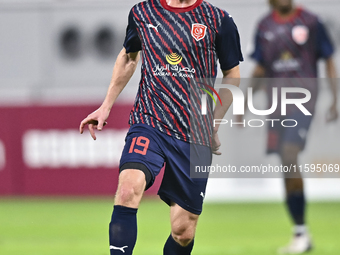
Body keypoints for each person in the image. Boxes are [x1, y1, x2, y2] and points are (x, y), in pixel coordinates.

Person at [79, 0, 243, 254]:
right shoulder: (142, 12)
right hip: (149, 120)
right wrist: (106, 105)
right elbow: (128, 57)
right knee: (127, 188)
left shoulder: (219, 20)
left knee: (183, 232)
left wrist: (214, 122)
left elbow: (232, 74)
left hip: (194, 131)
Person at [247, 0, 338, 254]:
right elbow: (261, 68)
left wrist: (335, 99)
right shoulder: (264, 26)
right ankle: (301, 233)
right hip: (276, 105)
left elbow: (329, 59)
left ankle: (301, 233)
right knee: (286, 166)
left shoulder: (310, 21)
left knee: (289, 153)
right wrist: (244, 101)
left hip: (303, 100)